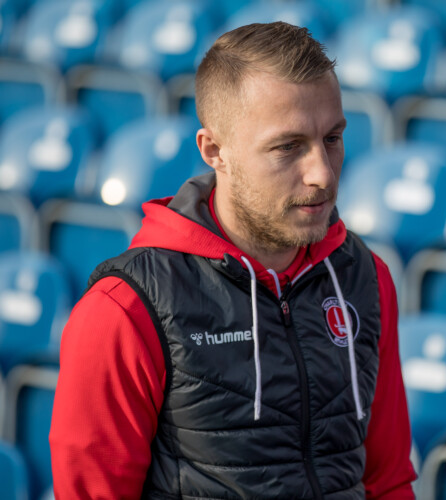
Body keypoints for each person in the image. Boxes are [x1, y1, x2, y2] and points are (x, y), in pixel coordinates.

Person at [49, 21, 417, 499]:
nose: (322, 175)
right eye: (288, 147)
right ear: (215, 151)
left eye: (332, 138)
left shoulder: (365, 277)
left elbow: (388, 481)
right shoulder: (124, 310)